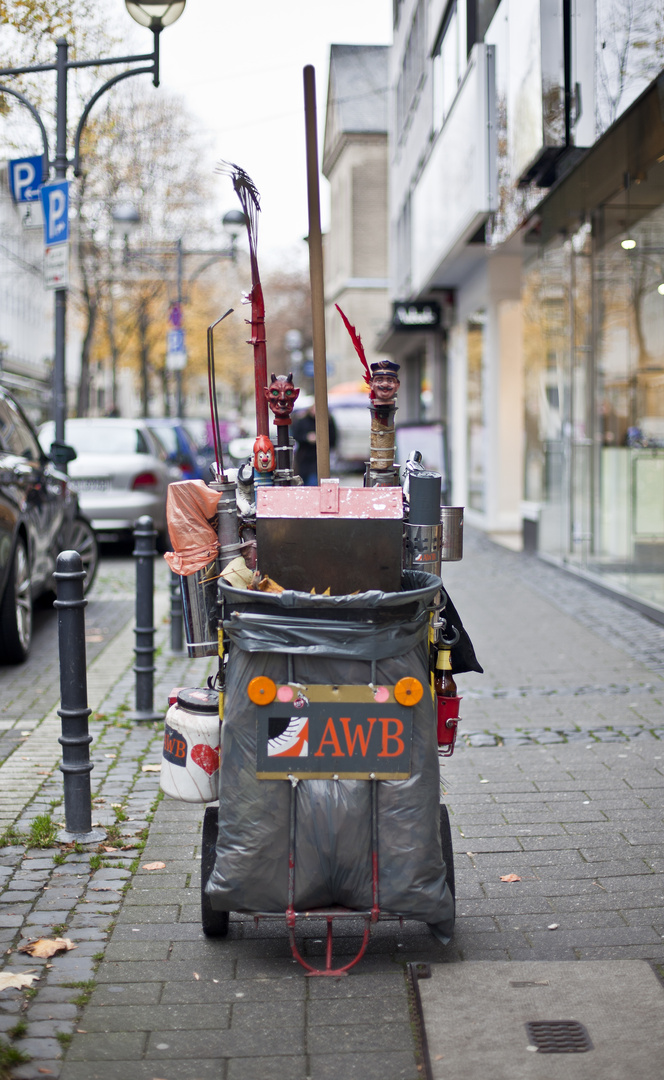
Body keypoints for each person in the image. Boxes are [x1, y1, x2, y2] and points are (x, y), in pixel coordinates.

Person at [292, 403, 337, 485]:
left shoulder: (328, 421)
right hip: (304, 456)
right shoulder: (303, 421)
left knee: (314, 480)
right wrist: (306, 438)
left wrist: (321, 440)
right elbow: (296, 435)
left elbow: (333, 438)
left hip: (319, 456)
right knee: (304, 480)